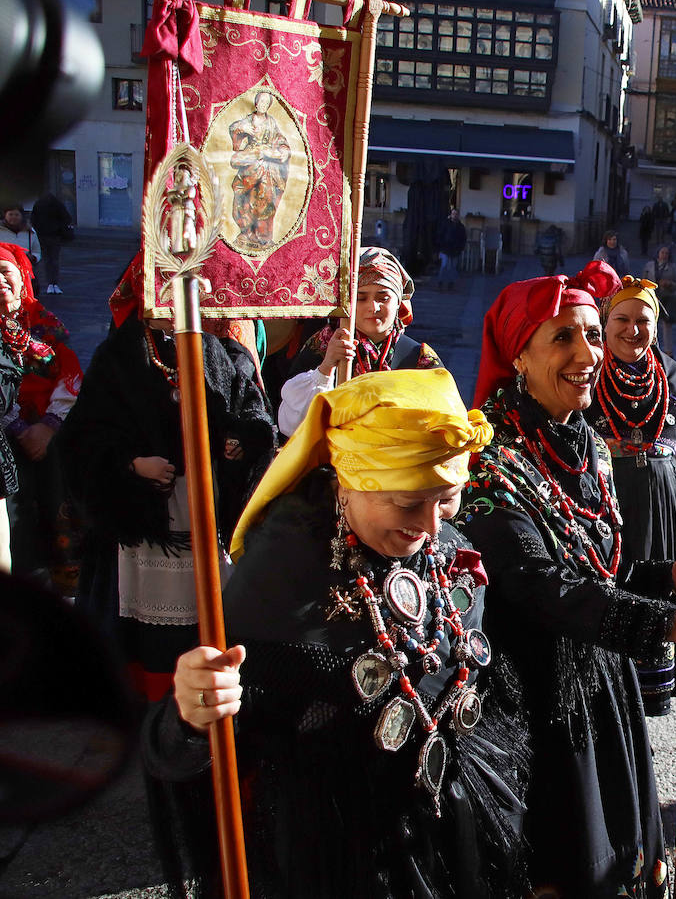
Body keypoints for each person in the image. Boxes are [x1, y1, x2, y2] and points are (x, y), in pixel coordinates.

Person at [460, 261, 676, 897]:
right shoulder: (487, 464)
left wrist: (666, 575)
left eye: (591, 335)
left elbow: (601, 568)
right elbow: (543, 586)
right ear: (518, 356)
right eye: (562, 337)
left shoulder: (581, 440)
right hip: (536, 706)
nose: (587, 353)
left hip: (601, 685)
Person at [148, 369, 529, 897]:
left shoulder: (446, 547)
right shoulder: (283, 569)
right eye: (407, 502)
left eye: (447, 498)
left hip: (447, 819)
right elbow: (211, 746)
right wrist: (192, 714)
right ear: (350, 482)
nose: (432, 527)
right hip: (334, 845)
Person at [59, 260, 276, 701]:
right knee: (136, 619)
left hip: (201, 506)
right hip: (140, 520)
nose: (172, 305)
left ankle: (199, 693)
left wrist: (238, 443)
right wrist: (131, 466)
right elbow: (84, 437)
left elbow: (250, 412)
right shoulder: (119, 354)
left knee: (202, 610)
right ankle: (143, 696)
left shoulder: (212, 350)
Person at [587, 276, 676, 715]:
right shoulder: (587, 370)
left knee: (657, 601)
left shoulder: (675, 377)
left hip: (661, 512)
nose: (632, 329)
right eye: (622, 318)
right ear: (606, 320)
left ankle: (645, 702)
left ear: (656, 326)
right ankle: (606, 700)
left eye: (643, 320)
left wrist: (664, 493)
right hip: (599, 509)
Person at [277, 247, 442, 436]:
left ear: (398, 302)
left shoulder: (418, 357)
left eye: (383, 298)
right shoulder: (324, 345)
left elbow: (444, 420)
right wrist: (325, 369)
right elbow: (290, 426)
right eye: (361, 298)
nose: (373, 307)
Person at [0, 245, 82, 593]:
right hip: (5, 442)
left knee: (57, 505)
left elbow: (71, 372)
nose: (0, 279)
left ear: (22, 276)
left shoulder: (45, 323)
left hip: (50, 437)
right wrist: (17, 426)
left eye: (5, 270)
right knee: (15, 520)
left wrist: (48, 426)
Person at [228, 91, 292, 250]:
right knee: (244, 199)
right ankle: (247, 232)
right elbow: (234, 128)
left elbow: (280, 139)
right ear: (256, 103)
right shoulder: (249, 120)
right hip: (250, 164)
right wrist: (243, 128)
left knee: (266, 200)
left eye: (266, 102)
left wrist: (283, 150)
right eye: (260, 102)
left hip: (267, 167)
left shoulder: (271, 122)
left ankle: (263, 237)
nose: (263, 105)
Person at [28, 193, 72, 295]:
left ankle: (49, 283)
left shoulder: (38, 204)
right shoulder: (57, 204)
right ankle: (54, 283)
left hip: (42, 236)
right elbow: (67, 218)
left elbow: (33, 220)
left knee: (46, 259)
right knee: (54, 259)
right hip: (54, 236)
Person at [644, 245, 676, 355]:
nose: (664, 255)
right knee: (651, 322)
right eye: (662, 252)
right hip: (652, 297)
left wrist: (670, 284)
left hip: (667, 297)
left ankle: (668, 350)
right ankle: (650, 347)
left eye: (666, 253)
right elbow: (643, 280)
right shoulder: (649, 265)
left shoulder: (672, 266)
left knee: (667, 324)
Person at [434, 207, 467, 292]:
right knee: (444, 266)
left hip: (455, 250)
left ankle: (451, 284)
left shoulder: (461, 227)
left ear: (458, 215)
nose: (454, 215)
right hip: (445, 249)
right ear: (451, 214)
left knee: (453, 268)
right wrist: (440, 247)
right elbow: (440, 235)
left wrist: (460, 248)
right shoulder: (445, 224)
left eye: (456, 214)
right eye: (453, 214)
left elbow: (463, 239)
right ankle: (440, 283)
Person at [0, 204, 40, 268]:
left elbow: (36, 251)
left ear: (21, 216)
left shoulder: (30, 232)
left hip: (24, 270)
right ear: (5, 215)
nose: (13, 217)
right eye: (10, 214)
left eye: (16, 215)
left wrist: (34, 257)